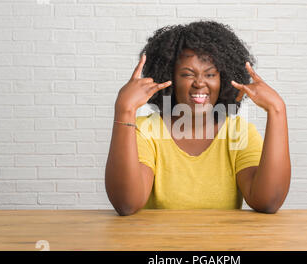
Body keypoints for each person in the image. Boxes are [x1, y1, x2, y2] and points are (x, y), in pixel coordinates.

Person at [105, 20, 291, 216]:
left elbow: (268, 202)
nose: (200, 83)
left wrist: (277, 110)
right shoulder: (146, 130)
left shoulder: (238, 132)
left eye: (210, 74)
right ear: (169, 79)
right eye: (187, 74)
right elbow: (126, 203)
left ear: (224, 80)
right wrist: (124, 110)